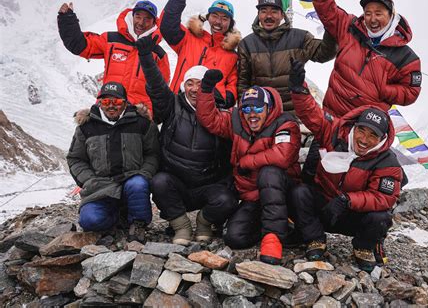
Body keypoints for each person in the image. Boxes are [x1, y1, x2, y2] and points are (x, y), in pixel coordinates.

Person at [288, 60, 404, 272]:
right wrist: (298, 89)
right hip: (324, 206)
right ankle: (315, 239)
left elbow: (384, 198)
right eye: (362, 130)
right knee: (299, 192)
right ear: (354, 126)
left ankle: (363, 247)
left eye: (373, 135)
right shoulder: (333, 133)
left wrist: (347, 200)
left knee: (381, 217)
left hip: (352, 214)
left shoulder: (388, 162)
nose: (364, 139)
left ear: (382, 139)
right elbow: (311, 115)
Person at [135, 35, 238, 245]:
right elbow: (156, 86)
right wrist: (146, 58)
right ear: (183, 86)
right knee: (159, 182)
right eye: (189, 83)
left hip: (208, 184)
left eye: (199, 84)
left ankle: (203, 222)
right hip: (176, 182)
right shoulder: (172, 105)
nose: (193, 89)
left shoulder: (222, 113)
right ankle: (181, 226)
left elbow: (230, 152)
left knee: (226, 199)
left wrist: (227, 182)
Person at [196, 70, 301, 265]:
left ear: (268, 107)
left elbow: (283, 155)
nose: (252, 113)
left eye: (257, 108)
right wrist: (206, 90)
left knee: (269, 172)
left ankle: (273, 239)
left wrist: (245, 162)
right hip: (251, 196)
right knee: (234, 238)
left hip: (282, 192)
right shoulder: (237, 121)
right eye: (246, 108)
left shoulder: (285, 123)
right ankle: (273, 228)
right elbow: (210, 120)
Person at [312, 0, 422, 117]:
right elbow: (325, 7)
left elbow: (411, 92)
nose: (372, 19)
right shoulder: (349, 27)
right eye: (368, 13)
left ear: (391, 15)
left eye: (379, 13)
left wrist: (384, 90)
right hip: (331, 119)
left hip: (365, 128)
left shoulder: (406, 57)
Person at [66, 81, 159, 242]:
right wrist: (89, 180)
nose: (111, 106)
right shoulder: (86, 127)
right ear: (99, 102)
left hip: (132, 181)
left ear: (124, 102)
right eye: (106, 101)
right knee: (90, 221)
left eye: (116, 101)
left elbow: (153, 154)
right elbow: (75, 159)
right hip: (100, 187)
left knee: (138, 184)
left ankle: (138, 224)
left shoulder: (141, 123)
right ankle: (118, 219)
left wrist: (144, 174)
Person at [57, 0, 170, 113]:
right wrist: (68, 21)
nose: (141, 22)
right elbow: (80, 46)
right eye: (138, 16)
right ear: (132, 17)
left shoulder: (159, 54)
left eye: (147, 19)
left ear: (154, 23)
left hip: (139, 117)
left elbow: (161, 92)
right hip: (107, 109)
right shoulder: (111, 40)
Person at [237, 0, 337, 114]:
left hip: (293, 114)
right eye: (263, 11)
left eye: (274, 11)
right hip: (261, 114)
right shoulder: (246, 44)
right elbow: (242, 84)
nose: (268, 16)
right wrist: (243, 113)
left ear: (282, 15)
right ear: (258, 15)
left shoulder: (300, 37)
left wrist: (331, 28)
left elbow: (324, 54)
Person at [160, 0, 240, 109]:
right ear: (207, 17)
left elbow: (233, 84)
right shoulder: (188, 38)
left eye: (224, 18)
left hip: (211, 110)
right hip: (178, 104)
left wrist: (226, 99)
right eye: (215, 16)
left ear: (230, 24)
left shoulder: (232, 54)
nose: (218, 22)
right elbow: (167, 25)